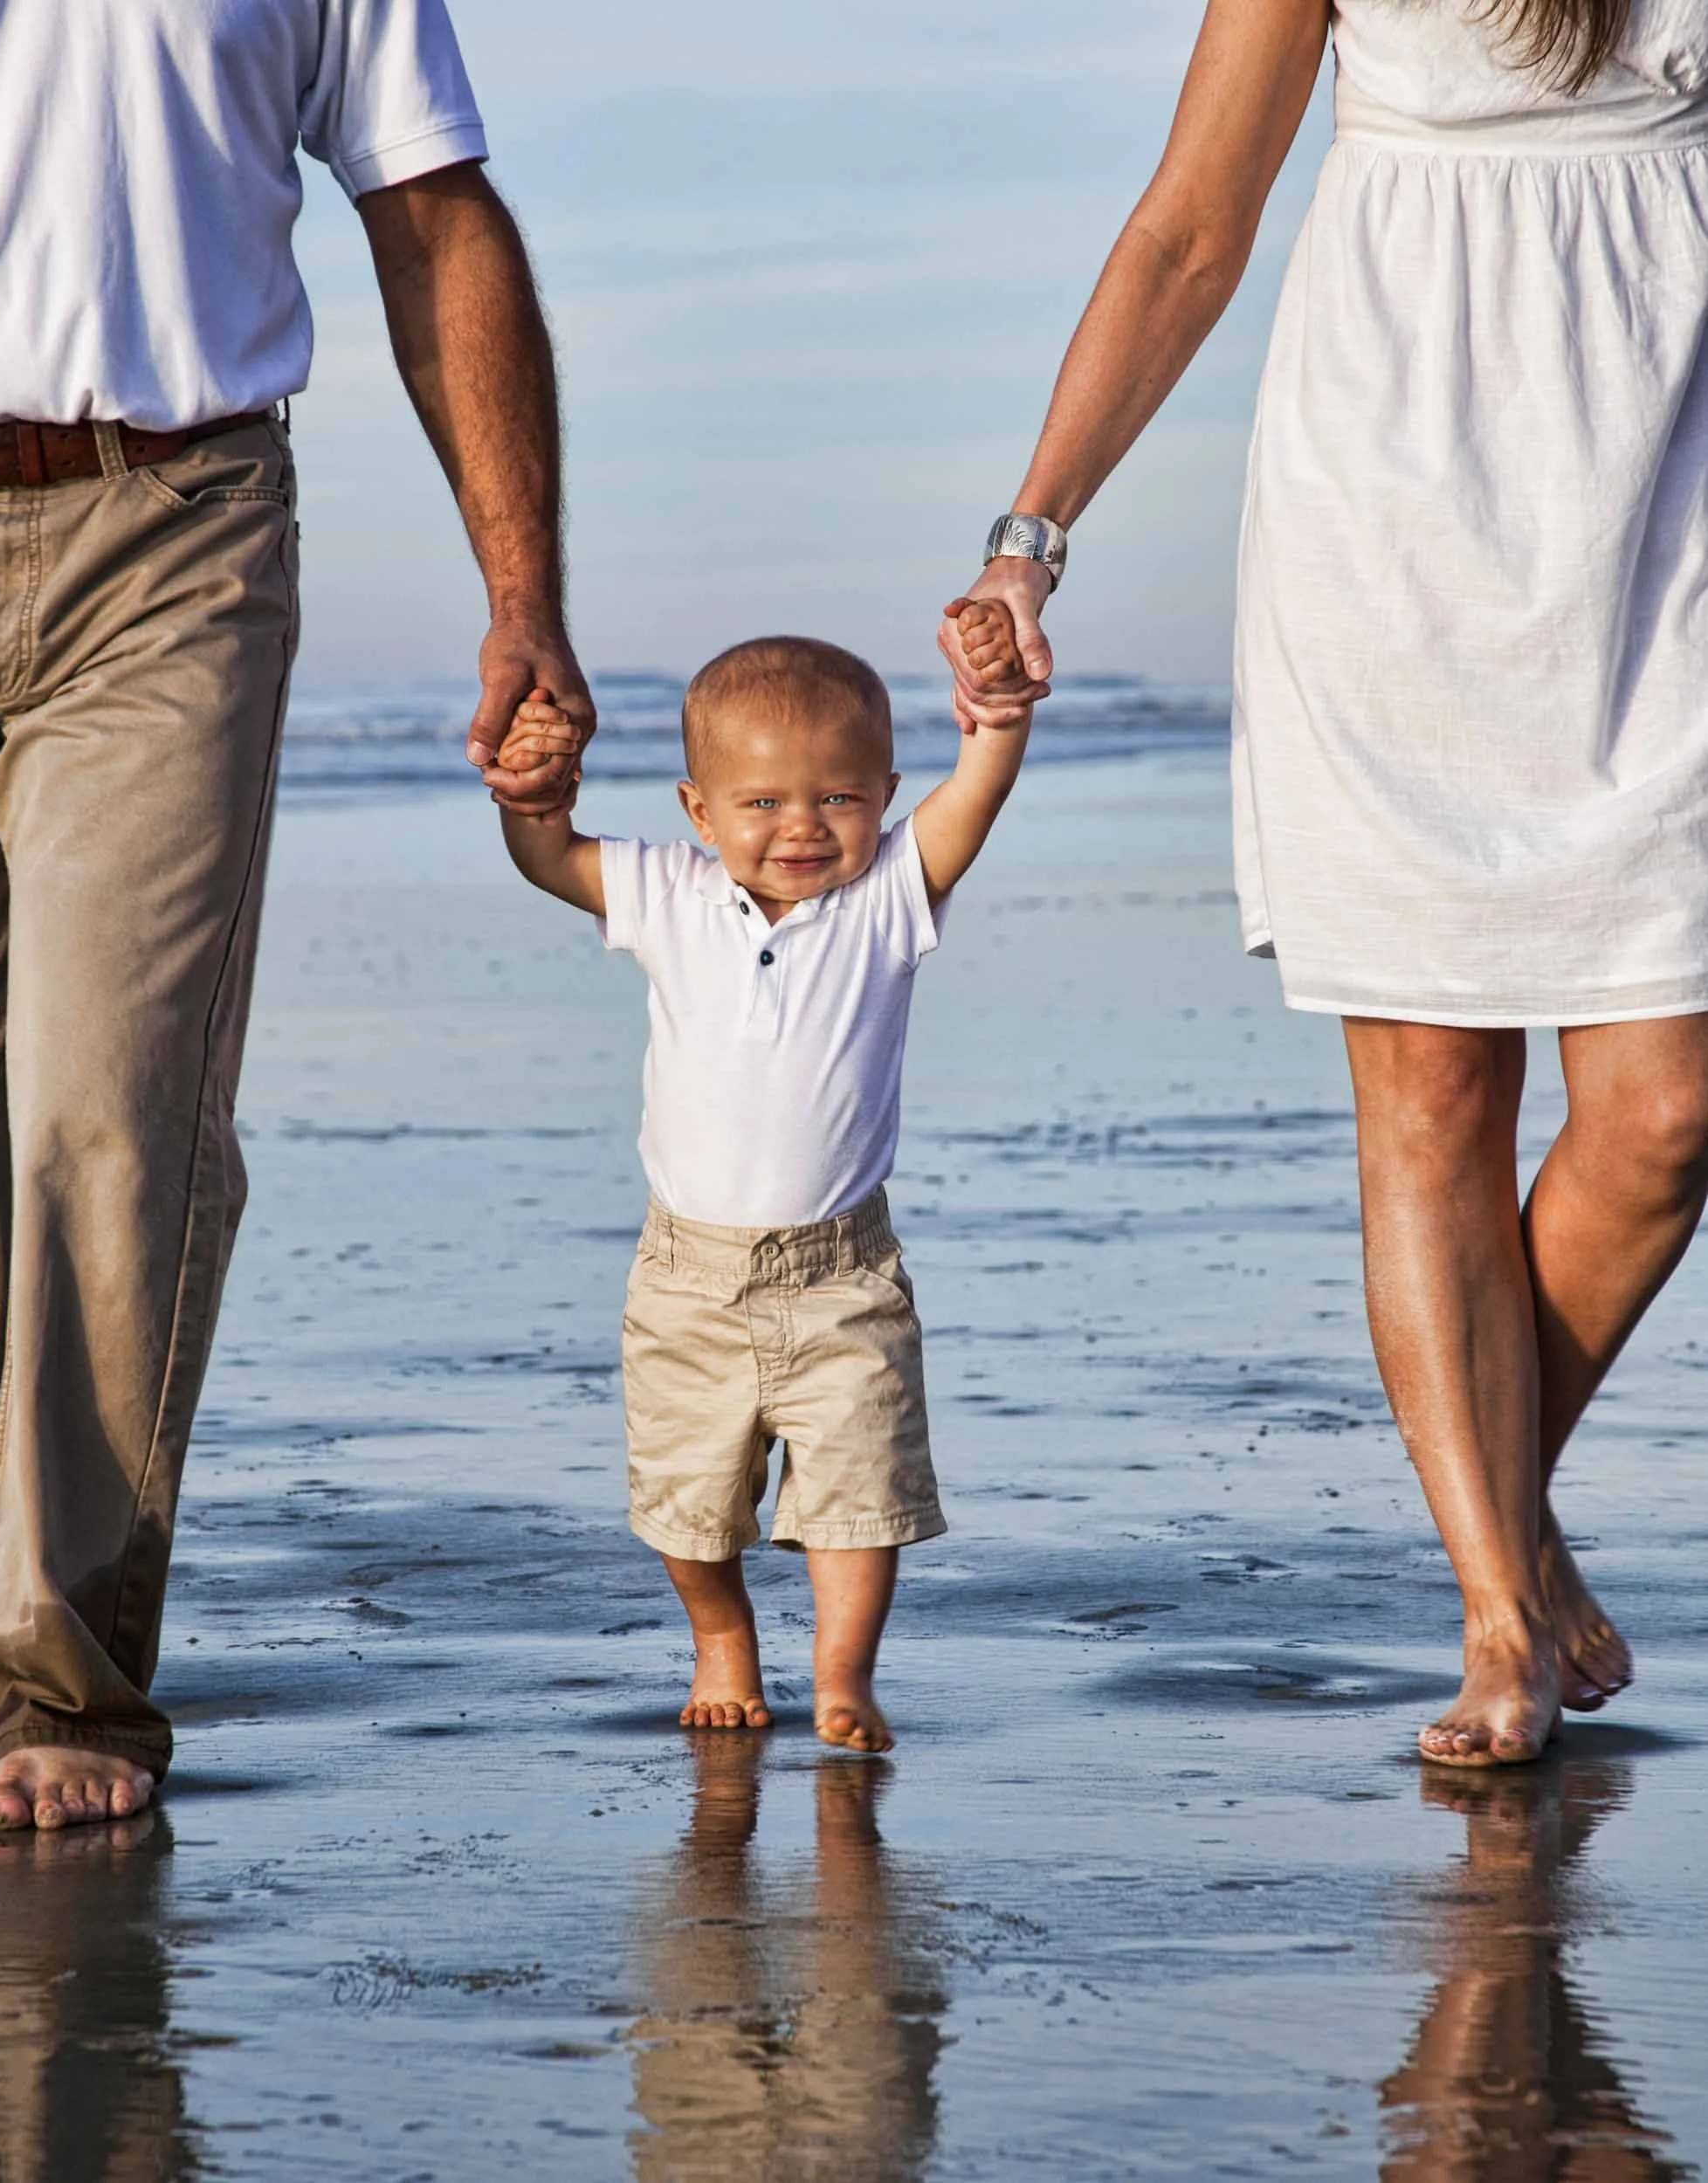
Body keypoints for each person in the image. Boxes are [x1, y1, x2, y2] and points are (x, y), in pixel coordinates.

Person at [942, 0, 1708, 1766]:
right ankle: (1496, 1612)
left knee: (1666, 1106)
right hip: (1398, 488)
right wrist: (1030, 537)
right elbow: (1189, 220)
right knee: (1434, 1090)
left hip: (1666, 484)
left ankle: (1501, 1496)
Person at [0, 0, 590, 1833]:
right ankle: (20, 1577)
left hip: (172, 527)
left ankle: (68, 1676)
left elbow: (435, 216)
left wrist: (522, 592)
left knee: (109, 1116)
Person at [495, 609, 1029, 1751]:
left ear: (884, 796)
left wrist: (997, 716)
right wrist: (530, 798)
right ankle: (722, 1636)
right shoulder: (667, 894)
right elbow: (550, 858)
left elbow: (975, 796)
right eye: (763, 802)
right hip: (688, 1275)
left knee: (859, 1493)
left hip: (844, 1273)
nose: (802, 827)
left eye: (838, 798)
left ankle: (844, 1676)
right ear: (699, 811)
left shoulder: (890, 895)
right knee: (689, 1499)